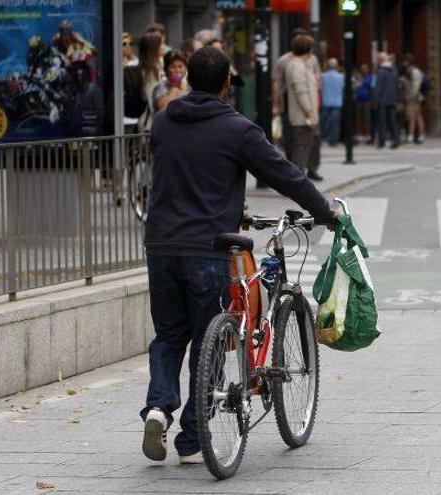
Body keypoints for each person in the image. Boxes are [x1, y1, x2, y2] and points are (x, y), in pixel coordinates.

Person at [141, 46, 337, 465]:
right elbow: (285, 175)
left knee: (169, 334)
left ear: (188, 79)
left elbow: (185, 174)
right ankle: (193, 438)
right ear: (227, 83)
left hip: (161, 245)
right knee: (209, 338)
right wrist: (326, 213)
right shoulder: (237, 130)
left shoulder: (163, 123)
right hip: (209, 249)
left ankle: (158, 408)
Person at [284, 35, 321, 176]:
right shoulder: (297, 66)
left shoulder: (300, 65)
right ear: (309, 50)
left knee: (303, 147)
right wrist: (310, 112)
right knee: (301, 148)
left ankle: (298, 178)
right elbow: (301, 91)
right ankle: (297, 179)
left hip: (303, 115)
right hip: (303, 116)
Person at [137, 32, 165, 132]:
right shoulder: (148, 72)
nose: (164, 47)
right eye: (161, 44)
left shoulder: (159, 67)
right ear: (154, 48)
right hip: (150, 125)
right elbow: (152, 100)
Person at [374, 52, 401, 149]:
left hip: (382, 99)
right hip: (392, 99)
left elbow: (379, 87)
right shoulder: (394, 71)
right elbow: (397, 86)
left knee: (382, 121)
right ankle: (396, 140)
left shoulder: (381, 72)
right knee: (392, 121)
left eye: (378, 59)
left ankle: (382, 141)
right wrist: (398, 99)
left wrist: (376, 99)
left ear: (381, 60)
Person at [401, 54, 426, 144]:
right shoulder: (418, 71)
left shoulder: (409, 71)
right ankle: (421, 135)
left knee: (411, 116)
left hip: (412, 96)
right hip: (418, 96)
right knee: (418, 116)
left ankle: (410, 135)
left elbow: (407, 83)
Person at [320, 58, 344, 146]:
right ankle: (333, 140)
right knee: (335, 122)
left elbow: (320, 87)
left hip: (326, 101)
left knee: (324, 121)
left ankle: (323, 138)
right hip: (337, 102)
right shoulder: (341, 77)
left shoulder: (323, 76)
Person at [352, 63, 373, 143]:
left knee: (367, 118)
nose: (363, 70)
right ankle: (358, 135)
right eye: (362, 68)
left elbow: (370, 86)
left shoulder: (370, 77)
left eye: (365, 68)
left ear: (367, 69)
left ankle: (367, 135)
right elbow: (354, 85)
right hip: (358, 100)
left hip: (367, 101)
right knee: (358, 118)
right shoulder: (357, 77)